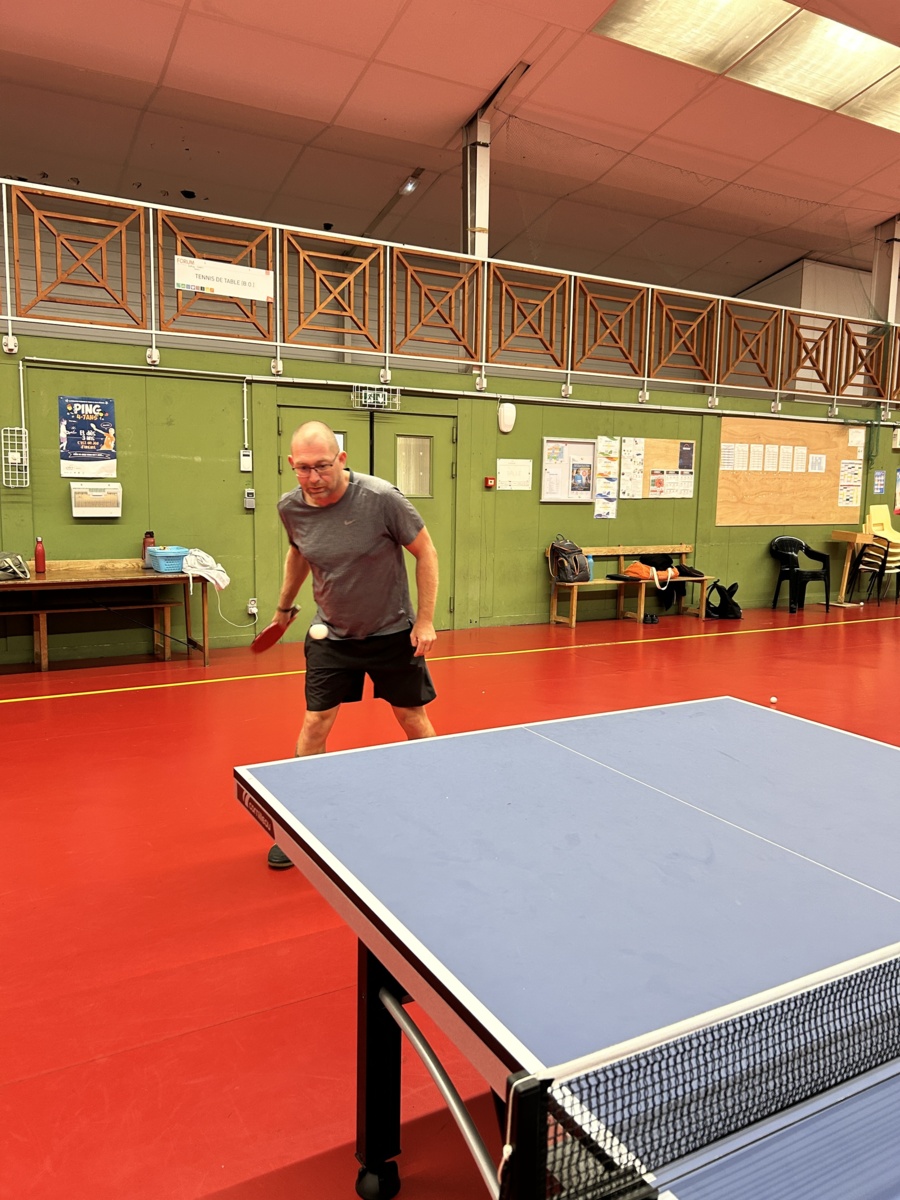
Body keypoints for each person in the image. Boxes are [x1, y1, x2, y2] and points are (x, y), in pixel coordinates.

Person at [266, 420, 439, 869]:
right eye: (303, 468)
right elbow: (298, 554)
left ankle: (442, 796)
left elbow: (426, 552)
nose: (313, 477)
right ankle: (299, 823)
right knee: (315, 722)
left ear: (341, 459)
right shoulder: (290, 508)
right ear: (292, 464)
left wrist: (424, 620)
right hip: (332, 634)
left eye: (323, 466)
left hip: (392, 632)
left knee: (412, 718)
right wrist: (283, 607)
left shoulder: (381, 498)